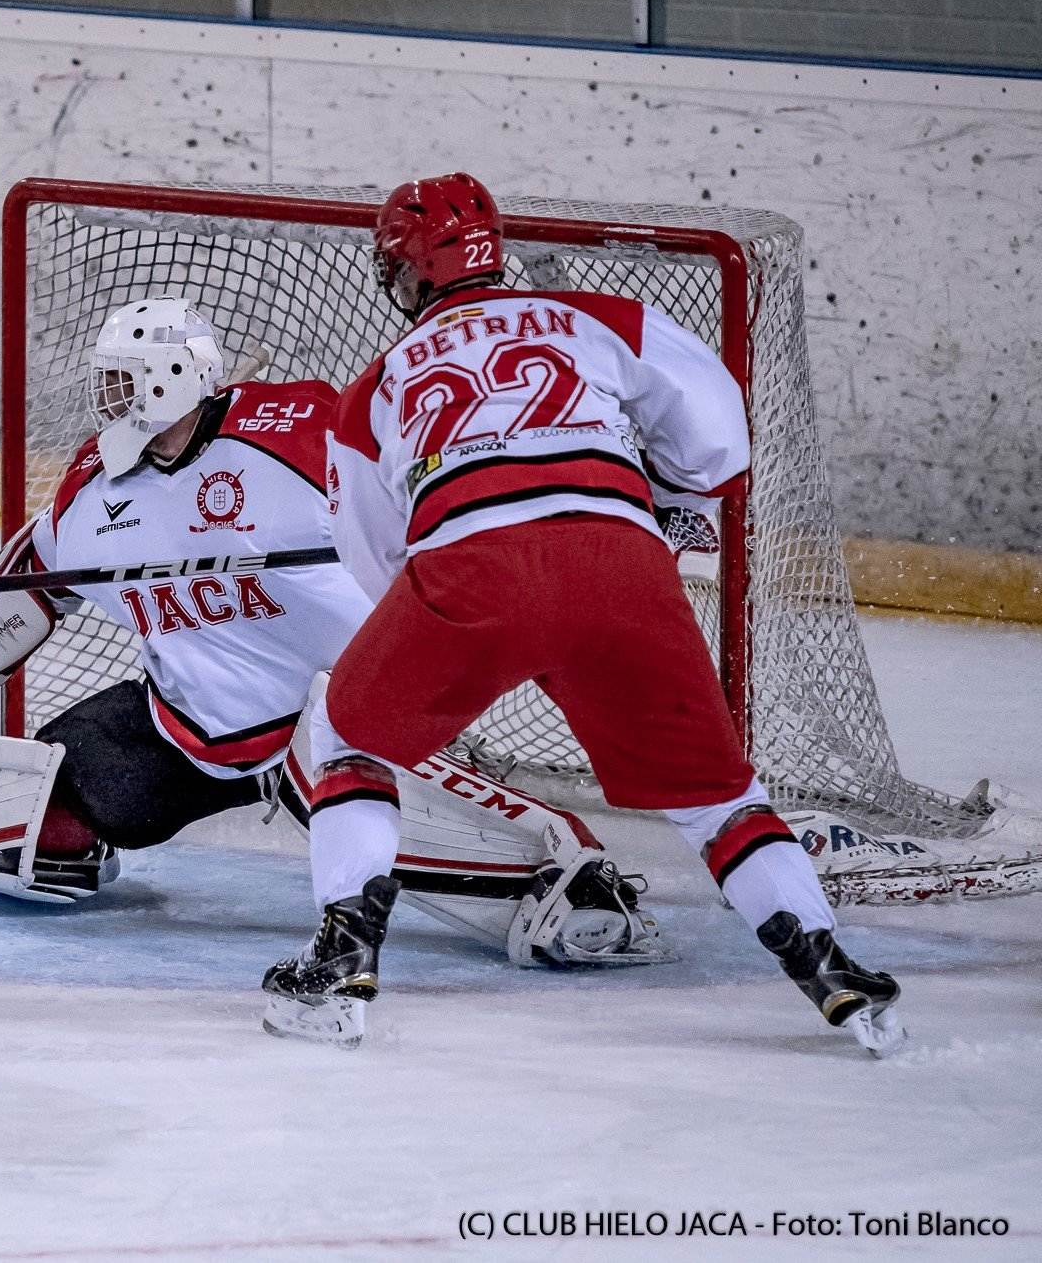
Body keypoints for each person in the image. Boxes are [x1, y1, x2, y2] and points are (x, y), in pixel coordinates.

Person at [267, 171, 903, 1052]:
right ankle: (834, 971)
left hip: (471, 574)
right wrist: (670, 499)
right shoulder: (592, 317)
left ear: (408, 275)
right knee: (720, 799)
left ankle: (339, 964)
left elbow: (376, 559)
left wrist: (449, 616)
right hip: (623, 567)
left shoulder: (376, 385)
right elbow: (719, 429)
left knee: (350, 733)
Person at [0, 295, 665, 990]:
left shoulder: (297, 431)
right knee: (5, 824)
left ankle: (565, 869)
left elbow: (424, 474)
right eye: (107, 378)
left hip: (347, 709)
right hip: (188, 731)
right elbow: (33, 579)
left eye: (126, 377)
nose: (109, 396)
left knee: (330, 741)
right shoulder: (99, 484)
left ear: (172, 377)